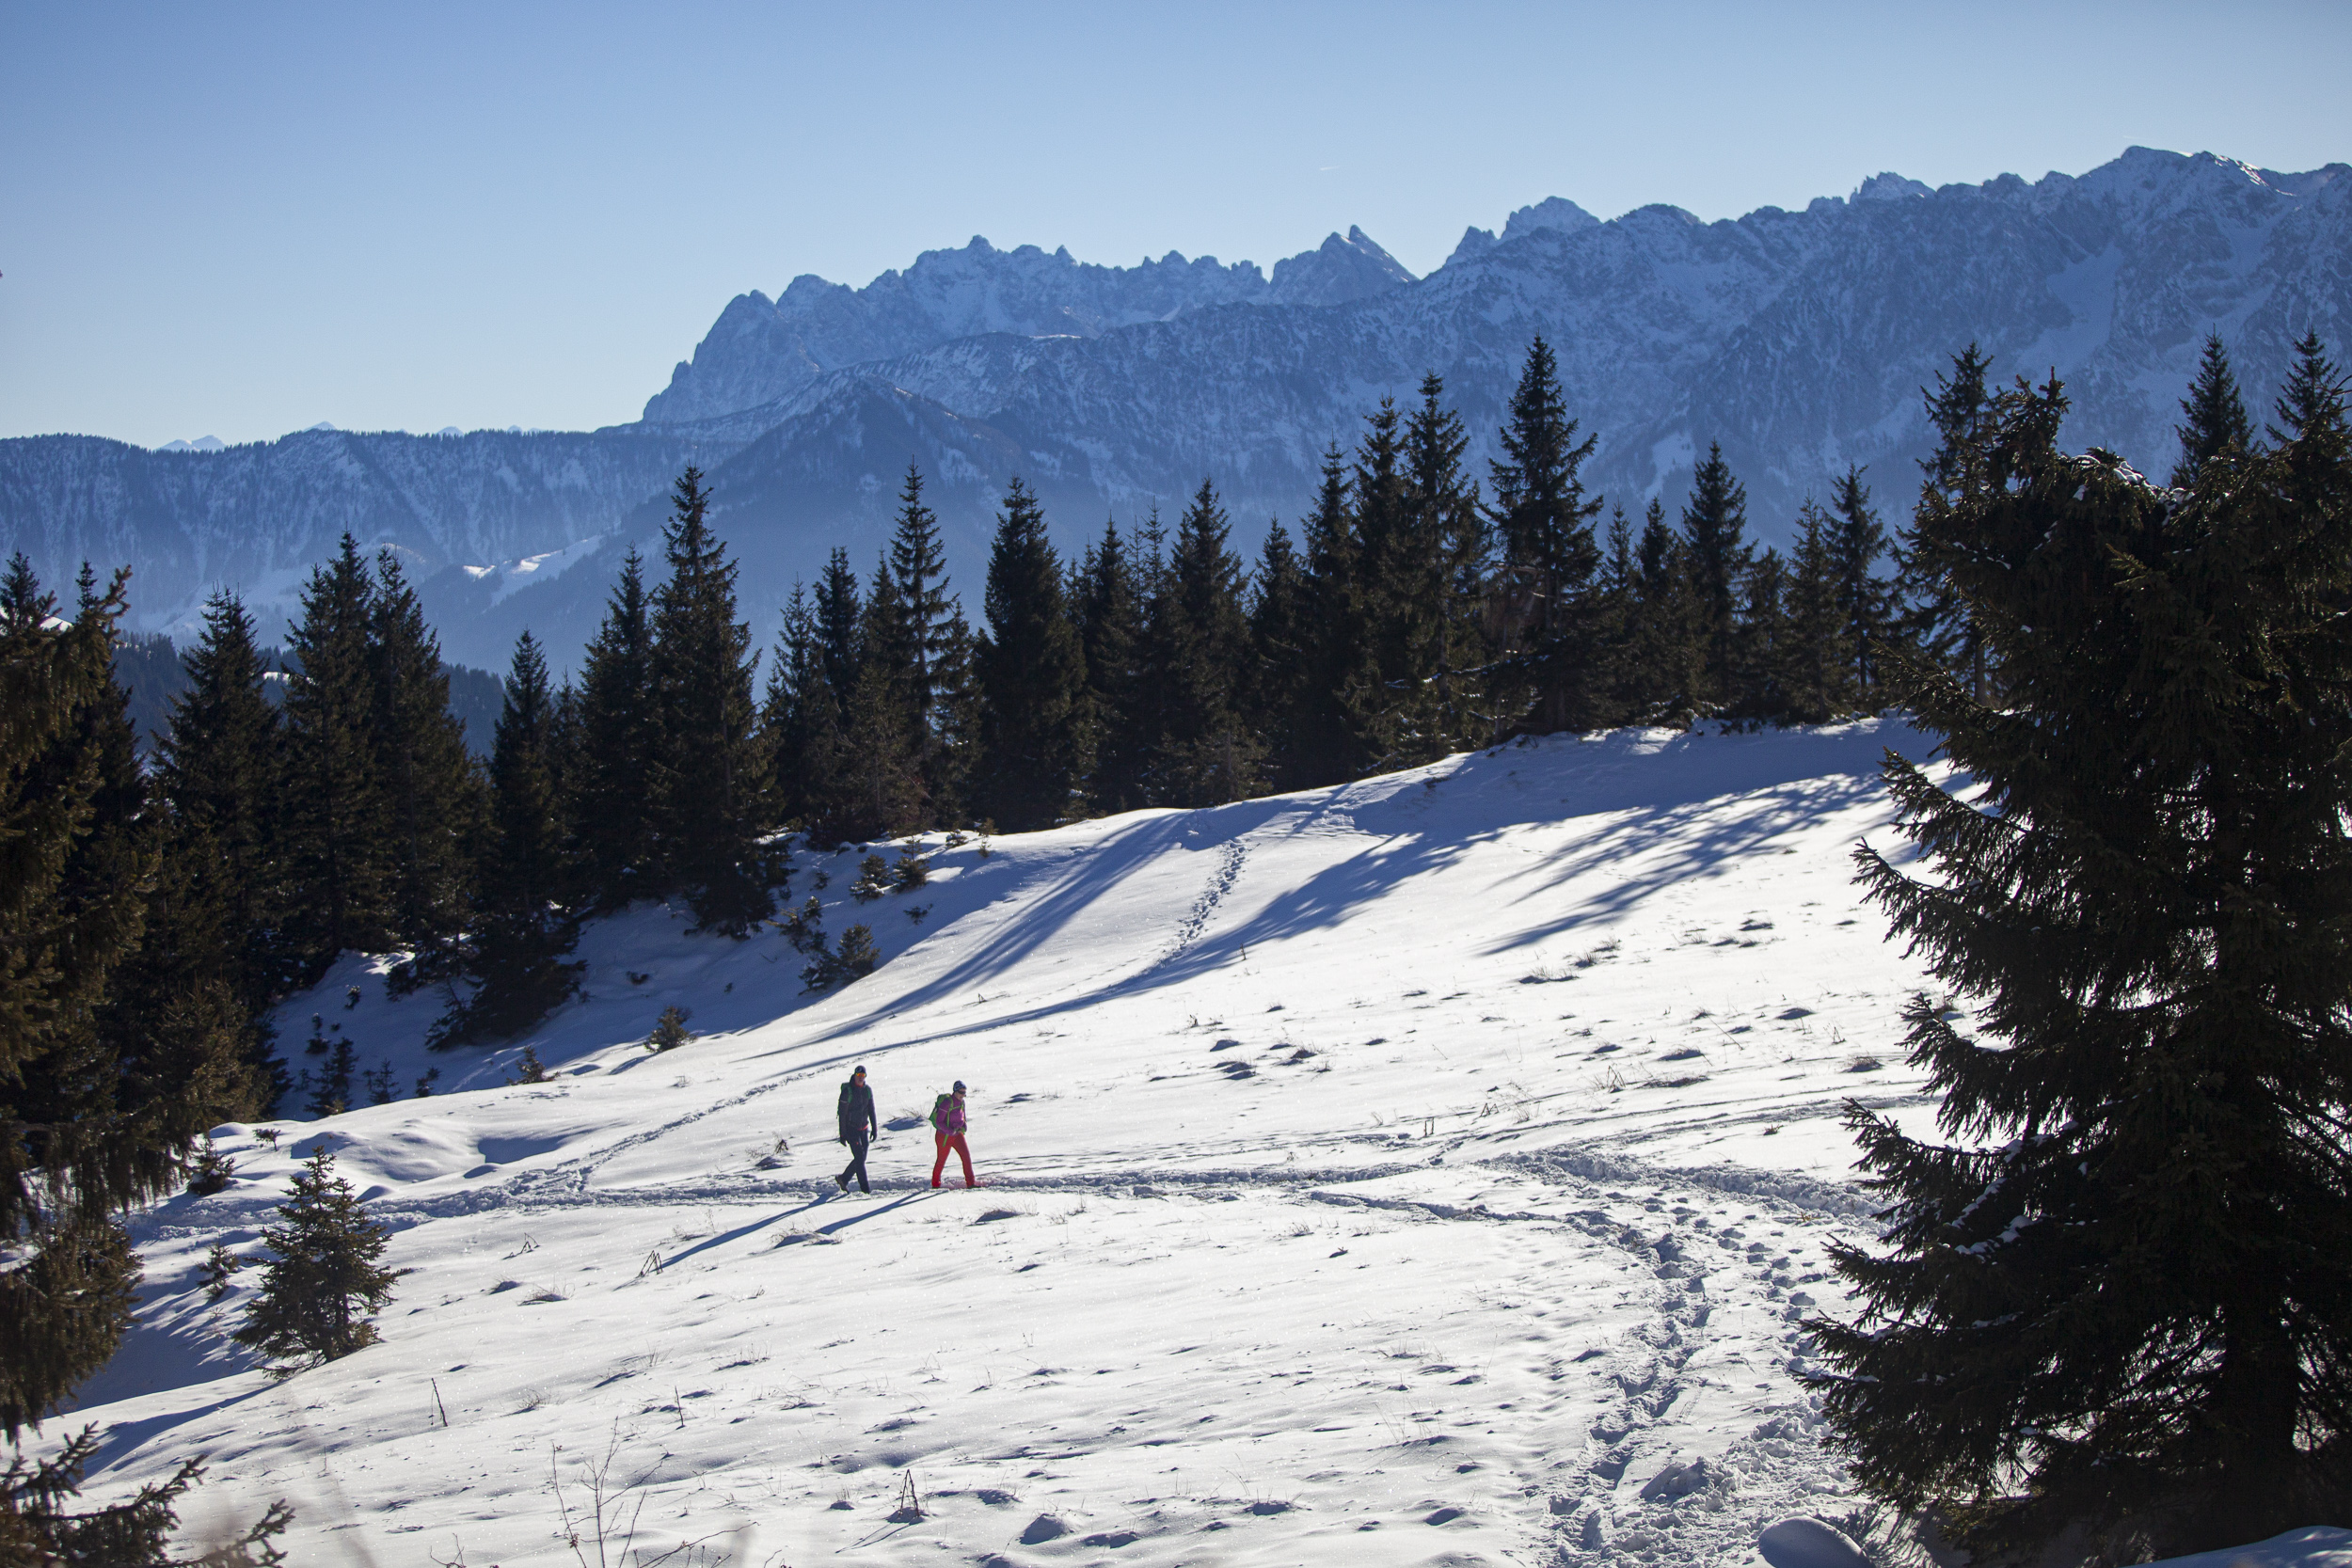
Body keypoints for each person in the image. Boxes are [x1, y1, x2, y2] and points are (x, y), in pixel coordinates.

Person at [834, 1066, 878, 1193]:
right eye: (858, 1076)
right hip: (851, 1129)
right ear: (854, 1076)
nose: (860, 1078)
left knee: (861, 1159)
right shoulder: (848, 1091)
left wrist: (874, 1128)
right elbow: (842, 1114)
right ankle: (865, 1189)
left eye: (863, 1076)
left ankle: (843, 1178)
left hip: (864, 1129)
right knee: (859, 1158)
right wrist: (842, 1134)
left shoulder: (867, 1090)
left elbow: (871, 1110)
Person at [929, 1080, 974, 1189]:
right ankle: (935, 1184)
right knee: (941, 1160)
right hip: (944, 1137)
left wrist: (963, 1127)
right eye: (961, 1092)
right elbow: (939, 1121)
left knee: (966, 1157)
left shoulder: (962, 1102)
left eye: (964, 1093)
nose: (963, 1095)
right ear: (955, 1091)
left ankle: (971, 1183)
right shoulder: (947, 1103)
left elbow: (963, 1117)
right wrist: (951, 1131)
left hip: (957, 1135)